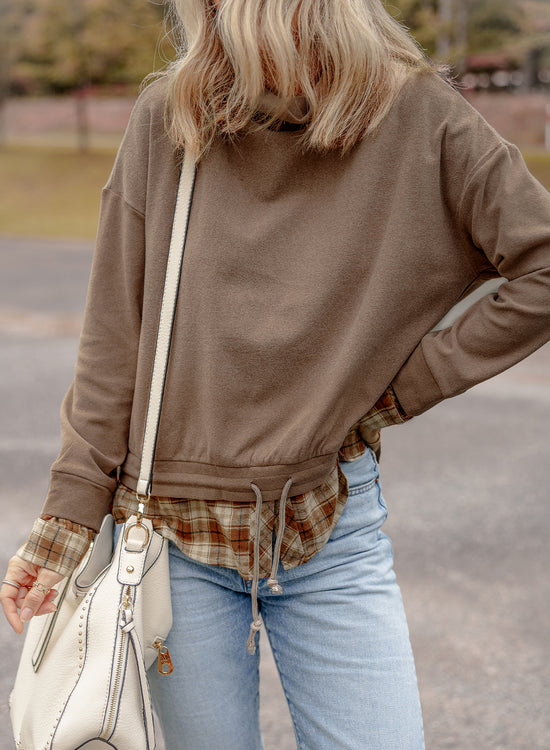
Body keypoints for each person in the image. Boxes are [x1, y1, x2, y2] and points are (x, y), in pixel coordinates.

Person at [2, 1, 550, 748]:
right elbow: (112, 343)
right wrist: (67, 517)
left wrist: (404, 390)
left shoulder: (422, 115)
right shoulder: (172, 116)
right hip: (172, 537)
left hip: (331, 524)